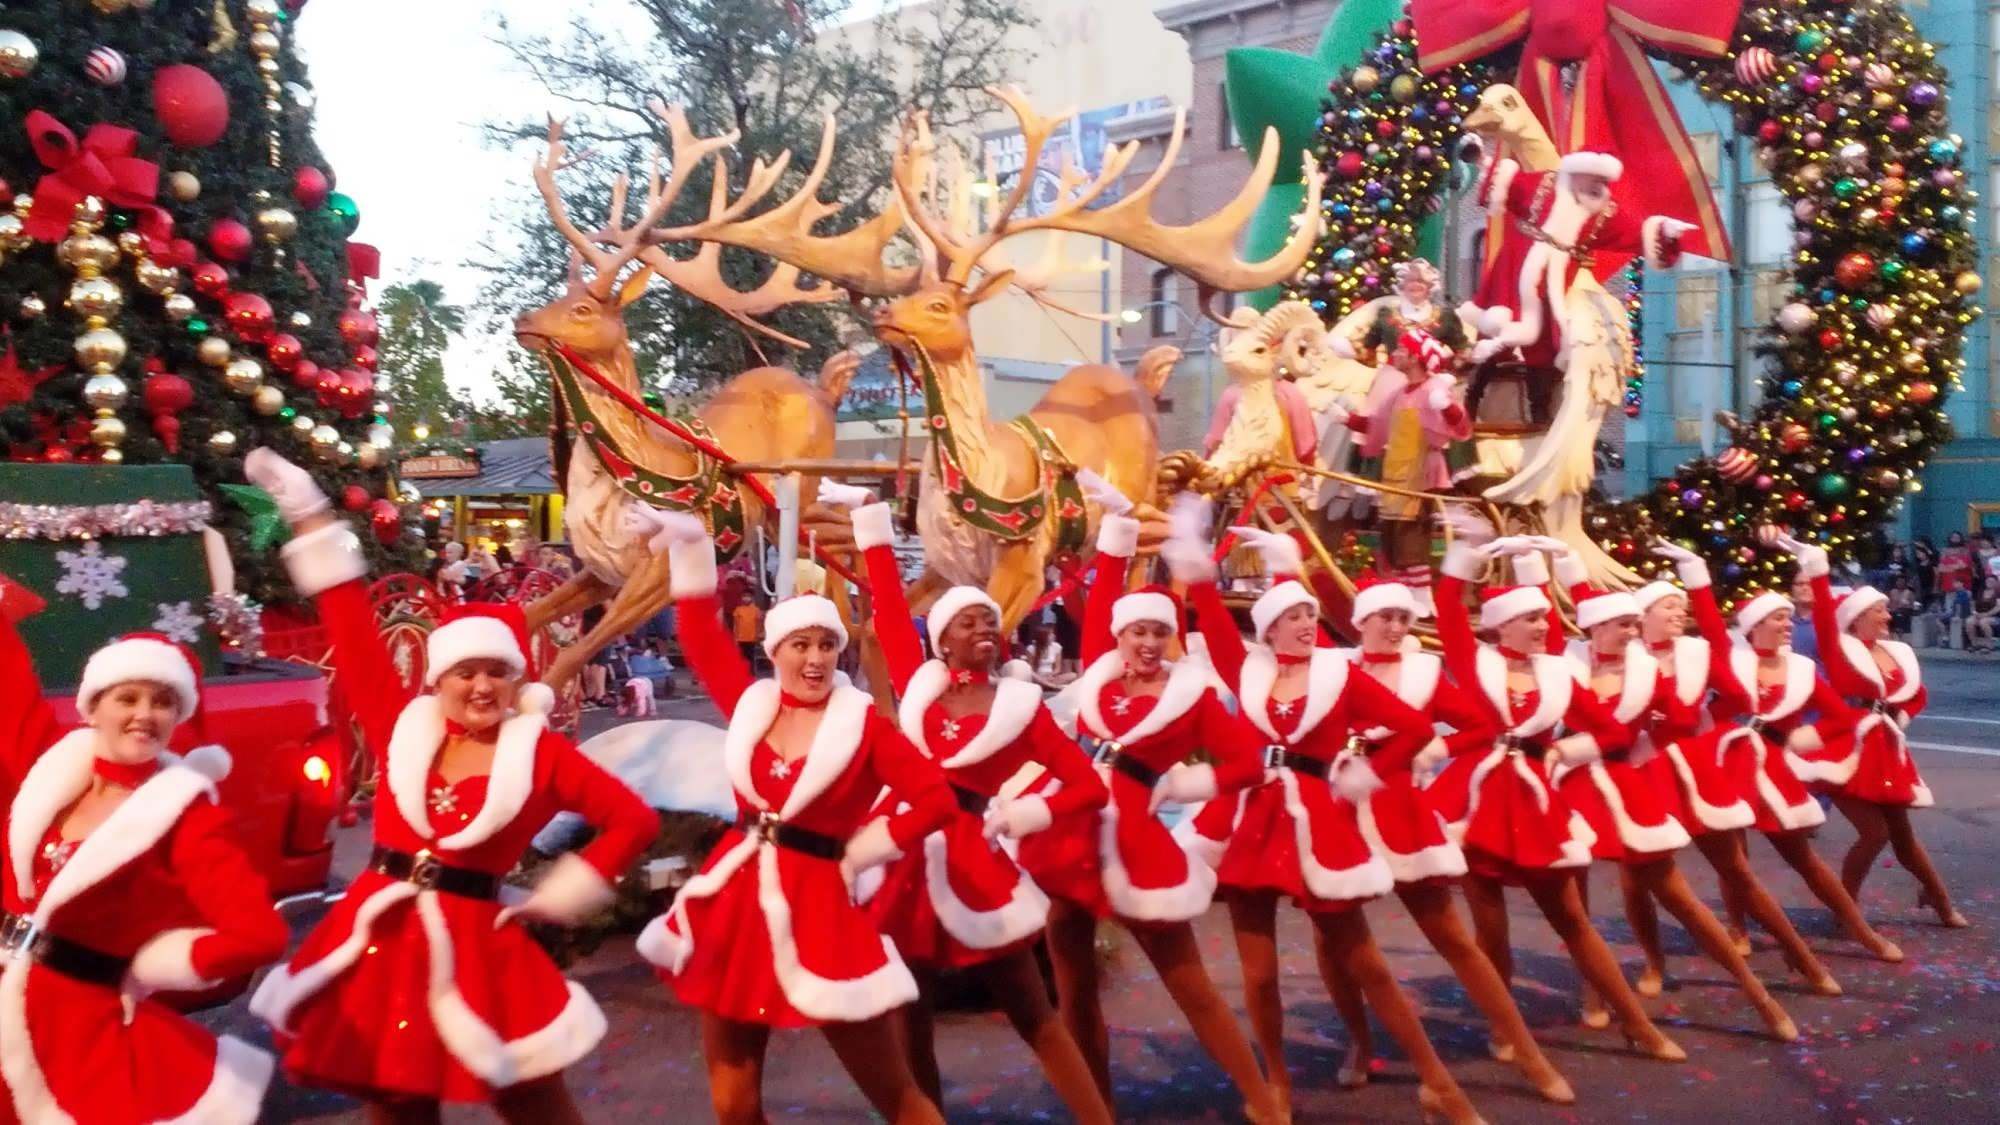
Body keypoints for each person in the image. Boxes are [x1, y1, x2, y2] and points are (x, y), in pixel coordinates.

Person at [243, 450, 659, 1125]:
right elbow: (350, 624)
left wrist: (557, 898)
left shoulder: (539, 753)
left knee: (535, 1104)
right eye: (465, 672)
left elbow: (632, 821)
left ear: (517, 679)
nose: (482, 686)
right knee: (397, 1103)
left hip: (479, 944)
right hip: (380, 942)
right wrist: (309, 514)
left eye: (497, 672)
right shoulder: (401, 725)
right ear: (438, 678)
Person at [1172, 511, 1505, 1122]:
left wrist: (1368, 774)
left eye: (1308, 616)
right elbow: (1214, 622)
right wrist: (1195, 565)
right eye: (1291, 617)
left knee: (1367, 963)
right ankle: (1275, 1082)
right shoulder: (1247, 669)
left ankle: (1436, 1080)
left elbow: (1410, 728)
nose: (1303, 625)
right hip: (1250, 822)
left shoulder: (1338, 675)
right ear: (1269, 629)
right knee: (1260, 974)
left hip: (1315, 822)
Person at [626, 507, 955, 1125]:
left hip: (820, 909)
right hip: (734, 904)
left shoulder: (865, 727)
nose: (815, 659)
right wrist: (693, 544)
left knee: (896, 1096)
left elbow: (937, 801)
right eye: (801, 644)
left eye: (827, 644)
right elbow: (699, 631)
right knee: (733, 1101)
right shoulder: (751, 704)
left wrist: (861, 852)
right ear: (775, 651)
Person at [820, 483, 1113, 1124]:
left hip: (971, 863)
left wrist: (1025, 814)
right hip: (898, 863)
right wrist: (867, 516)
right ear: (941, 641)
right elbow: (890, 609)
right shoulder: (918, 686)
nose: (984, 628)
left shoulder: (1021, 711)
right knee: (908, 1017)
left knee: (1036, 1016)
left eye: (990, 620)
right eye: (967, 621)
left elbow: (1089, 787)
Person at [1012, 476, 1285, 1124]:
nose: (1144, 643)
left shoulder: (1189, 696)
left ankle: (1260, 1092)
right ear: (1119, 636)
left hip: (1134, 840)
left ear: (1170, 638)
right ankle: (1096, 1106)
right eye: (1134, 632)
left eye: (1156, 634)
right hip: (1071, 828)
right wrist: (1118, 528)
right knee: (1073, 981)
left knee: (1187, 980)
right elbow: (1104, 595)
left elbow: (1247, 764)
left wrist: (1176, 783)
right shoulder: (1099, 677)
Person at [0, 619, 289, 1124]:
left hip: (75, 1029)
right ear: (94, 707)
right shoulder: (52, 767)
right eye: (127, 698)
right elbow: (9, 682)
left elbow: (258, 934)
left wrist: (151, 966)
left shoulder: (184, 813)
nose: (144, 715)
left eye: (162, 701)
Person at [1428, 515, 1684, 1060]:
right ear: (1501, 628)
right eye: (1530, 619)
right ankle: (1504, 1028)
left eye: (1544, 618)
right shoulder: (1474, 661)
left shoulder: (1559, 675)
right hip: (1475, 802)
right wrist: (1470, 549)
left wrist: (1563, 752)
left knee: (1572, 920)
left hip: (1535, 802)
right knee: (1490, 931)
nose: (1544, 627)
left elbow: (1612, 731)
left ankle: (1637, 1025)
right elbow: (1448, 604)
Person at [1550, 551, 1797, 1042]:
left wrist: (1650, 726)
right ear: (1598, 628)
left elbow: (1682, 720)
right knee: (1574, 905)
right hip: (1574, 789)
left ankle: (1757, 994)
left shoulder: (1648, 674)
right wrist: (1557, 566)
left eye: (1632, 624)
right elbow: (1577, 608)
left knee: (1678, 897)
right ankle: (1592, 989)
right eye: (1622, 624)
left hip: (1628, 784)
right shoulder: (1569, 664)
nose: (1631, 632)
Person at [1629, 545, 1843, 997]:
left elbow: (1737, 694)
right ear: (1643, 612)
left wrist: (1696, 575)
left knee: (1737, 870)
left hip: (1695, 766)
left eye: (1682, 606)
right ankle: (1653, 963)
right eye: (1669, 605)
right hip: (1642, 767)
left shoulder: (1695, 653)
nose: (1679, 612)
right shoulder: (1623, 656)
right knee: (1636, 878)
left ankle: (1800, 955)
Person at [1678, 543, 1906, 964]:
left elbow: (1839, 718)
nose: (1787, 626)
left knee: (1804, 857)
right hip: (1726, 764)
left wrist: (1797, 741)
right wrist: (1696, 577)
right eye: (1778, 618)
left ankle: (1860, 929)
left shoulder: (1802, 670)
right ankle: (1739, 927)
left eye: (1787, 617)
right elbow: (1711, 628)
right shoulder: (1732, 659)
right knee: (1735, 859)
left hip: (1774, 770)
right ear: (1753, 626)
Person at [1781, 535, 1968, 929]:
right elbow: (1822, 619)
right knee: (1874, 832)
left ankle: (1939, 898)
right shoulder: (1841, 648)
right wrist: (1815, 566)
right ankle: (1845, 908)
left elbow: (1916, 695)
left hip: (1885, 747)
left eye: (1885, 610)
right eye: (1879, 611)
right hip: (1848, 749)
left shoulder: (1897, 652)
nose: (1887, 616)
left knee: (1902, 836)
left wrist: (1899, 719)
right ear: (1857, 617)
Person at [1327, 328, 1471, 598]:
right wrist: (1347, 419)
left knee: (1411, 541)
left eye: (1402, 350)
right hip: (1396, 475)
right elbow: (1377, 424)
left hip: (1421, 476)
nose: (1395, 354)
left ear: (1416, 357)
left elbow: (1459, 424)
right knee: (1393, 540)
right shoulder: (1399, 393)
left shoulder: (1434, 389)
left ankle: (1423, 601)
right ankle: (1406, 597)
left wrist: (1445, 407)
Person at [732, 596, 764, 672]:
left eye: (748, 596)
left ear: (752, 598)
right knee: (741, 657)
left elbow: (759, 623)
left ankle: (751, 673)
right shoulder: (738, 609)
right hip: (740, 638)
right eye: (744, 596)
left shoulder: (756, 610)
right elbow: (735, 624)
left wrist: (758, 634)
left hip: (752, 638)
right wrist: (735, 636)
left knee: (751, 657)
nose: (746, 598)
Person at [1968, 577, 2000, 652]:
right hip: (1979, 615)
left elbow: (1998, 607)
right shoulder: (1981, 592)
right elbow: (1973, 604)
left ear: (1996, 583)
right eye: (1988, 581)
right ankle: (1974, 644)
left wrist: (1986, 614)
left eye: (1992, 581)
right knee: (1969, 621)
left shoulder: (1998, 593)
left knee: (1983, 622)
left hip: (1994, 617)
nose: (1989, 582)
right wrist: (1974, 612)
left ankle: (1990, 645)